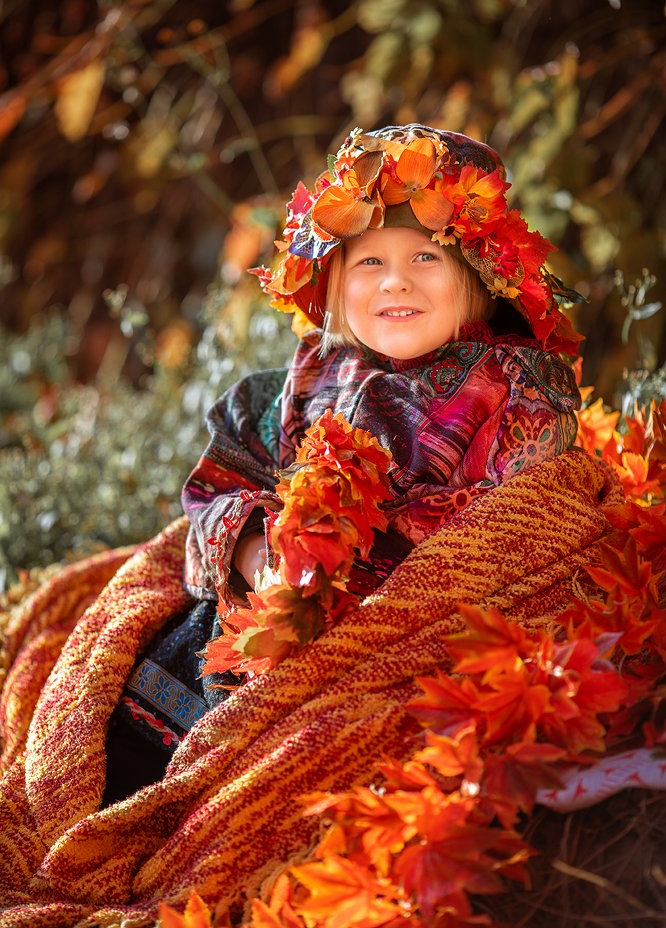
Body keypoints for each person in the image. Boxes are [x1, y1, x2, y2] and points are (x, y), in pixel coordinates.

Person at [103, 123, 582, 802]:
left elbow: (516, 529)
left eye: (425, 257)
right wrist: (255, 550)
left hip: (395, 628)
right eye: (369, 262)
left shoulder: (511, 387)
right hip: (270, 609)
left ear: (477, 274)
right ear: (333, 280)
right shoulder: (312, 376)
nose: (395, 282)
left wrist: (359, 553)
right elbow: (223, 482)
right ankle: (139, 776)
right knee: (159, 690)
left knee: (298, 748)